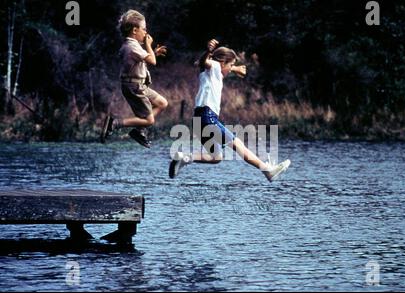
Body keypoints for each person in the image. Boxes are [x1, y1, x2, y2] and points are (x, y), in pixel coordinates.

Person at [169, 39, 290, 182]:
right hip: (208, 117)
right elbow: (204, 62)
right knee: (238, 144)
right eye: (231, 64)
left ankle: (184, 158)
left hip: (199, 119)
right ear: (221, 63)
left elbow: (216, 66)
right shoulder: (212, 66)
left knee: (216, 157)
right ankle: (267, 170)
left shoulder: (214, 72)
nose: (232, 68)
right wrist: (208, 51)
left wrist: (234, 68)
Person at [100, 9, 168, 148]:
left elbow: (141, 60)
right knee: (149, 121)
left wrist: (153, 52)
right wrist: (149, 46)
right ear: (135, 30)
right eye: (144, 29)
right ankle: (115, 123)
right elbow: (152, 62)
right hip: (134, 87)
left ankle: (138, 130)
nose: (146, 33)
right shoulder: (131, 46)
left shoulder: (133, 46)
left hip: (139, 85)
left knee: (162, 103)